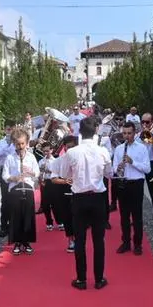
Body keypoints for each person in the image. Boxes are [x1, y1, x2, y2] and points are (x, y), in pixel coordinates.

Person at [63, 117, 112, 290]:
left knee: (80, 240)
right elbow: (109, 173)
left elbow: (65, 173)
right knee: (99, 240)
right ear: (96, 131)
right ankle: (99, 279)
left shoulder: (72, 152)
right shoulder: (103, 151)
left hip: (79, 197)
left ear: (80, 132)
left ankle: (81, 279)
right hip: (98, 197)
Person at [112, 121, 150, 255]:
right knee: (124, 216)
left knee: (136, 216)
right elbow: (113, 169)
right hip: (122, 183)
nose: (126, 136)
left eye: (129, 133)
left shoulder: (141, 148)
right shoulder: (118, 149)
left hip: (136, 184)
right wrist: (118, 168)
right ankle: (126, 242)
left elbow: (147, 168)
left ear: (134, 133)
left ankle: (138, 244)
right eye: (124, 133)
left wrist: (132, 162)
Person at [1, 128, 40, 255]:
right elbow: (5, 175)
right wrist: (14, 178)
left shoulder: (31, 156)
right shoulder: (10, 158)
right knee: (16, 216)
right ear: (14, 144)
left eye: (23, 143)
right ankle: (17, 242)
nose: (21, 146)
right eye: (18, 144)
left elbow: (37, 173)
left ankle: (26, 241)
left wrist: (30, 172)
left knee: (28, 215)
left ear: (27, 142)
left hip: (27, 187)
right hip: (15, 188)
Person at [51, 135, 78, 252]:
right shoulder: (58, 161)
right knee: (67, 216)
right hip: (63, 187)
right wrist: (65, 181)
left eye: (73, 147)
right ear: (64, 147)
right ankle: (70, 239)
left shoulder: (81, 159)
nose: (70, 150)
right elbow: (53, 178)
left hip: (78, 188)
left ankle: (78, 238)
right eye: (68, 147)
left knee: (78, 215)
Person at [0, 121, 16, 238]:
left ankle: (13, 225)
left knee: (14, 199)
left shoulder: (17, 142)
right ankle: (4, 226)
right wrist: (7, 147)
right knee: (5, 199)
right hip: (4, 170)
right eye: (8, 129)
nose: (10, 131)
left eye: (12, 129)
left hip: (14, 171)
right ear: (4, 130)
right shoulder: (0, 142)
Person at [37, 142, 61, 231]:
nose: (46, 153)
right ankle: (49, 222)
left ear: (51, 150)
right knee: (45, 204)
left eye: (47, 151)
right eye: (44, 151)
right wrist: (40, 180)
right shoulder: (41, 161)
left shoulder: (55, 161)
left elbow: (59, 173)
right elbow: (38, 173)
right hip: (45, 182)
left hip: (53, 182)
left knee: (56, 204)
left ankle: (59, 221)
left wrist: (48, 171)